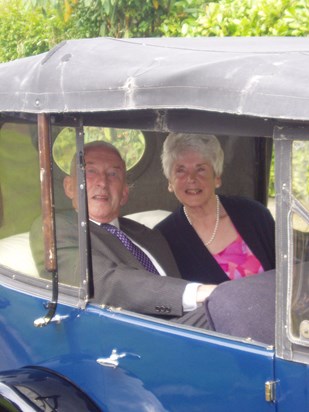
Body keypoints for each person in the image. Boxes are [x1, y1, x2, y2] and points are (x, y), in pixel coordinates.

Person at [30, 140, 216, 328]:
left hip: (186, 325)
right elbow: (102, 281)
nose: (102, 182)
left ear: (125, 193)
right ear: (69, 187)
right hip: (132, 333)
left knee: (240, 295)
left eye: (113, 174)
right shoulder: (56, 228)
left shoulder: (148, 234)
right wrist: (197, 292)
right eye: (90, 171)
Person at [155, 133, 276, 284]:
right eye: (181, 170)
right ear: (170, 183)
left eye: (200, 169)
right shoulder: (162, 237)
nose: (191, 178)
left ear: (217, 178)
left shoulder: (254, 214)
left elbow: (287, 271)